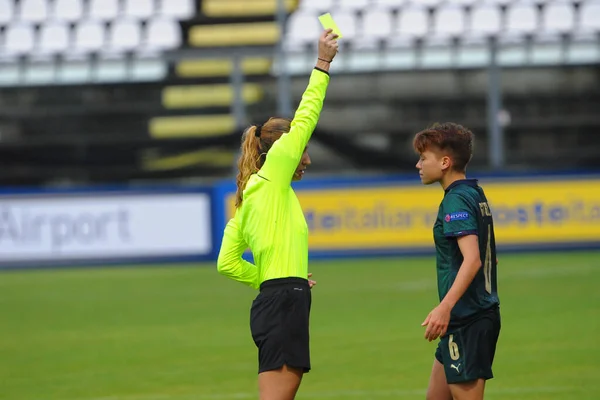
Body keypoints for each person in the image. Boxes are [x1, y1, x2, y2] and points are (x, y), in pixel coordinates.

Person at [216, 29, 339, 400]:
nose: (307, 158)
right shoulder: (273, 176)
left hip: (278, 297)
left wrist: (273, 278)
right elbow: (306, 116)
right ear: (284, 149)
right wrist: (323, 62)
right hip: (284, 302)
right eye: (302, 150)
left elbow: (227, 262)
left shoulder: (248, 197)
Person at [413, 122, 501, 400]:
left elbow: (473, 259)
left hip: (468, 319)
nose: (418, 164)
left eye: (423, 158)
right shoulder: (474, 193)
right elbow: (489, 258)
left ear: (445, 162)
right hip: (468, 317)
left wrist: (444, 307)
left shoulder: (456, 200)